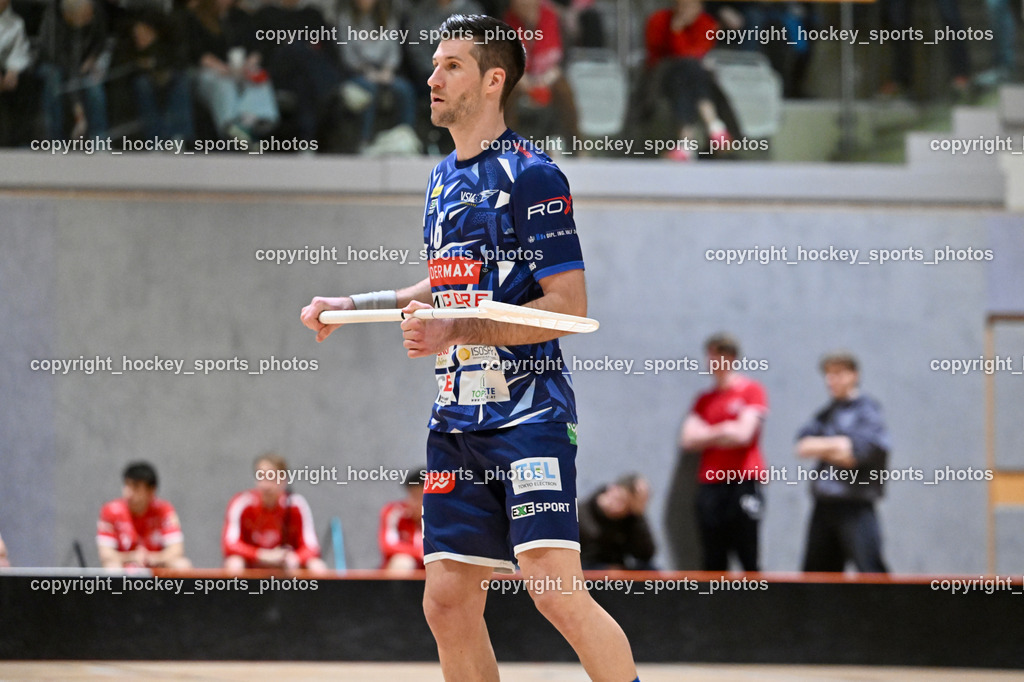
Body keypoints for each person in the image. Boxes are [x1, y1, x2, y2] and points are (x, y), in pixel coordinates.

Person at [301, 14, 640, 681]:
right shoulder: (440, 180)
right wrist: (353, 306)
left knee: (554, 590)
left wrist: (455, 331)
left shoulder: (534, 177)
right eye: (433, 65)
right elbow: (448, 281)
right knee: (448, 601)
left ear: (493, 80)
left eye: (451, 65)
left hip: (529, 419)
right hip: (456, 421)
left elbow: (568, 310)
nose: (432, 77)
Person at [795, 351, 890, 573]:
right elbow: (802, 445)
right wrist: (837, 445)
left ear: (853, 375)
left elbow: (855, 455)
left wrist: (824, 447)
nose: (831, 380)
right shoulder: (825, 413)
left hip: (854, 505)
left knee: (870, 571)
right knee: (816, 577)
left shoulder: (867, 411)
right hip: (824, 506)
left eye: (837, 373)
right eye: (828, 375)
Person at [680, 333, 768, 571]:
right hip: (710, 484)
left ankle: (753, 607)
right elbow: (688, 439)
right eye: (709, 356)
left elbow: (743, 435)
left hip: (744, 481)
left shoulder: (751, 390)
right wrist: (725, 429)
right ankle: (714, 607)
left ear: (730, 357)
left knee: (748, 555)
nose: (710, 362)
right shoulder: (704, 399)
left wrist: (708, 433)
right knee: (713, 558)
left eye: (716, 356)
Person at [644, 0, 735, 161]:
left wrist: (678, 34)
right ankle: (715, 127)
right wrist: (676, 30)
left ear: (700, 7)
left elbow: (693, 53)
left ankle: (686, 143)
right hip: (662, 75)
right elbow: (659, 53)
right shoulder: (658, 20)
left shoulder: (707, 23)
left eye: (692, 6)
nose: (686, 9)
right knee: (688, 69)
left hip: (689, 78)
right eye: (682, 4)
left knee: (688, 73)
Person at [186, 0, 279, 142]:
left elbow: (257, 47)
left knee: (258, 77)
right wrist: (225, 69)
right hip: (212, 71)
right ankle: (230, 125)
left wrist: (249, 64)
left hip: (241, 68)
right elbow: (199, 53)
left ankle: (257, 119)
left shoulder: (241, 16)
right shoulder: (196, 17)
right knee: (224, 84)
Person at [222, 454, 329, 573]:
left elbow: (312, 547)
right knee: (234, 563)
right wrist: (262, 555)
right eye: (261, 476)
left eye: (271, 477)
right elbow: (230, 544)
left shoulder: (295, 505)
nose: (266, 485)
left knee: (317, 566)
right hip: (253, 563)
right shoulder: (242, 503)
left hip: (285, 564)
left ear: (283, 480)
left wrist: (294, 558)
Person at [337, 0, 418, 152]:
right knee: (369, 90)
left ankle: (406, 137)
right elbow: (347, 56)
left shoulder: (388, 18)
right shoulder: (345, 19)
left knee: (404, 89)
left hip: (384, 70)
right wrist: (367, 71)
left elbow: (394, 52)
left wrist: (387, 70)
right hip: (357, 72)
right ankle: (364, 140)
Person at [503, 0, 581, 144]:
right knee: (504, 94)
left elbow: (564, 56)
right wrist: (521, 78)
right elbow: (504, 58)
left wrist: (547, 78)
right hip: (519, 76)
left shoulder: (553, 18)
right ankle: (504, 143)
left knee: (564, 91)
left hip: (549, 73)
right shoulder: (506, 22)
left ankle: (577, 144)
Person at [97, 461, 193, 569]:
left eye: (136, 487)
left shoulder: (164, 510)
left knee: (182, 565)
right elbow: (105, 555)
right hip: (125, 568)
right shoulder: (110, 510)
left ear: (151, 491)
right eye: (127, 485)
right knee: (112, 569)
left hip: (156, 568)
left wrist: (152, 558)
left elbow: (176, 550)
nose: (128, 492)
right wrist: (132, 557)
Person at [37, 0, 109, 139]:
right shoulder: (53, 22)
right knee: (54, 79)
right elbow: (65, 64)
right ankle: (54, 139)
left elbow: (101, 41)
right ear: (69, 17)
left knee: (94, 84)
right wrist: (79, 113)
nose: (91, 17)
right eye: (86, 16)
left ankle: (99, 138)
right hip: (54, 64)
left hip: (84, 62)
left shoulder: (93, 9)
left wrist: (92, 59)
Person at [578, 474, 655, 570]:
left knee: (650, 569)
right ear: (612, 488)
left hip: (619, 575)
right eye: (620, 500)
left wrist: (639, 515)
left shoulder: (630, 521)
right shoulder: (580, 514)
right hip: (587, 573)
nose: (620, 508)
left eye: (628, 507)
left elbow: (646, 554)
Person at [379, 468, 425, 571]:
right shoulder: (394, 512)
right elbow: (388, 545)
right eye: (412, 496)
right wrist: (420, 552)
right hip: (402, 569)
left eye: (419, 497)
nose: (413, 503)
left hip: (430, 570)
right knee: (402, 562)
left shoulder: (441, 517)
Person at [0, 0, 33, 147]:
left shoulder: (16, 22)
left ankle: (20, 141)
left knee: (25, 80)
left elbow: (20, 49)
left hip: (5, 70)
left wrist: (13, 71)